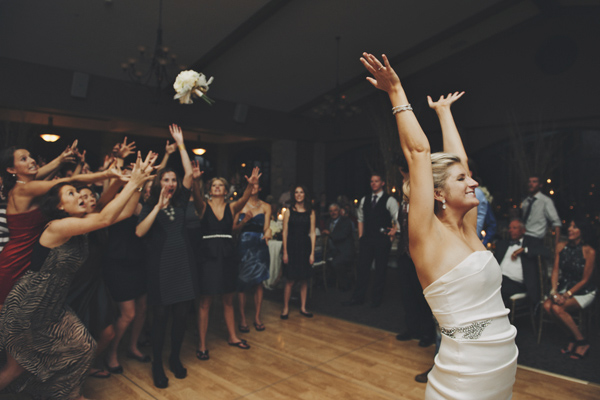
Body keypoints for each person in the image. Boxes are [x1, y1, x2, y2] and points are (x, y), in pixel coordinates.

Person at [360, 52, 517, 399]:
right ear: (438, 194)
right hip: (465, 374)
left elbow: (459, 162)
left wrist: (445, 114)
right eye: (462, 180)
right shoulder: (426, 238)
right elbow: (418, 154)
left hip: (501, 368)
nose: (473, 183)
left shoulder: (467, 229)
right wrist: (396, 92)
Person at [0, 152, 153, 399]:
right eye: (72, 194)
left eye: (78, 192)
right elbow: (105, 217)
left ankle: (68, 393)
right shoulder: (58, 226)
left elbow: (122, 214)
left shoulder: (80, 223)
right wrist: (132, 182)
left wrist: (139, 182)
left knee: (84, 346)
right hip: (28, 306)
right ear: (60, 206)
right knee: (15, 369)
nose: (81, 196)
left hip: (53, 305)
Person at [0, 144, 119, 310]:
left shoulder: (22, 183)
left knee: (21, 315)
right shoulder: (24, 188)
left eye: (30, 156)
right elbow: (68, 181)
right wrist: (107, 173)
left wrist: (60, 160)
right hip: (17, 260)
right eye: (24, 159)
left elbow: (39, 172)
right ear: (12, 169)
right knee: (9, 315)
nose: (32, 160)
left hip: (27, 256)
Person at [135, 124, 197, 389]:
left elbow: (189, 174)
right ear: (158, 183)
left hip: (183, 265)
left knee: (181, 316)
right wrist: (157, 207)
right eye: (166, 179)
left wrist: (182, 145)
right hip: (160, 268)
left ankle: (174, 358)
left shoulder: (182, 200)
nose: (171, 183)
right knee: (160, 318)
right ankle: (157, 365)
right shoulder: (150, 204)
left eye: (173, 180)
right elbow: (139, 232)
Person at [192, 166, 262, 360]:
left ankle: (232, 336)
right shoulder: (203, 206)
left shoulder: (232, 207)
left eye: (220, 185)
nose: (216, 187)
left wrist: (251, 184)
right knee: (205, 301)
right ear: (209, 189)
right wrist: (195, 180)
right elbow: (196, 195)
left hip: (227, 255)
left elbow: (245, 199)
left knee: (228, 298)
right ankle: (202, 344)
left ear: (225, 190)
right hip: (208, 256)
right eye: (213, 185)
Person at [394, 160, 435, 347]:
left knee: (423, 295)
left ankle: (428, 333)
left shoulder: (424, 203)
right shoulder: (403, 204)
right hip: (404, 253)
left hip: (421, 256)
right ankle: (411, 328)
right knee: (406, 293)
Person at [542, 218, 596, 359]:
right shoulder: (561, 246)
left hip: (584, 291)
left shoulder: (589, 251)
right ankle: (571, 337)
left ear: (582, 232)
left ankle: (582, 341)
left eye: (575, 227)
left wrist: (567, 295)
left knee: (558, 308)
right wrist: (554, 292)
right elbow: (555, 270)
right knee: (547, 305)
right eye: (570, 226)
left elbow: (585, 280)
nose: (570, 229)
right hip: (565, 286)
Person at [343, 173, 398, 308]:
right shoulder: (364, 199)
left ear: (382, 183)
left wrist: (392, 235)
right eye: (372, 181)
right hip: (367, 239)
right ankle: (358, 298)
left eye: (376, 181)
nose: (373, 183)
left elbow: (397, 219)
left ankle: (376, 300)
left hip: (382, 240)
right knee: (362, 269)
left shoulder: (389, 200)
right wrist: (361, 236)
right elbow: (360, 219)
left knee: (380, 270)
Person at [233, 181, 272, 332]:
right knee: (242, 283)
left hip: (260, 246)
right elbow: (233, 229)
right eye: (252, 184)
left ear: (260, 188)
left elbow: (266, 227)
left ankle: (257, 317)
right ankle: (242, 318)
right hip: (244, 245)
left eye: (257, 184)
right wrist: (244, 221)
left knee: (259, 282)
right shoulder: (239, 205)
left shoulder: (266, 206)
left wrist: (268, 232)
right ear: (248, 187)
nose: (254, 186)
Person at [494, 219, 549, 307]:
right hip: (500, 279)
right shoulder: (503, 243)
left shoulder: (531, 242)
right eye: (510, 228)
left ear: (523, 230)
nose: (510, 230)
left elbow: (547, 252)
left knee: (497, 289)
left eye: (514, 228)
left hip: (518, 283)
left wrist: (524, 250)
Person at [281, 185, 316, 319]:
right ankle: (285, 308)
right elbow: (285, 232)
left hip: (305, 247)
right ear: (294, 195)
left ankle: (303, 307)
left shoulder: (311, 212)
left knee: (304, 280)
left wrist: (312, 253)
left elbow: (312, 233)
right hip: (291, 247)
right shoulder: (289, 211)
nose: (299, 195)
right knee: (290, 279)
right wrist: (285, 251)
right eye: (296, 192)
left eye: (301, 192)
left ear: (305, 195)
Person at [521, 175, 561, 248]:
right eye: (529, 182)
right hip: (523, 236)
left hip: (536, 238)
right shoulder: (526, 201)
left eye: (534, 182)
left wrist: (556, 245)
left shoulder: (546, 201)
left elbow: (556, 223)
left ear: (540, 185)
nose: (531, 184)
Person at [321, 203, 354, 291]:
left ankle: (345, 286)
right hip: (332, 250)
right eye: (331, 211)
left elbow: (342, 235)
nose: (333, 213)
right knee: (321, 260)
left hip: (344, 250)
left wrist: (329, 234)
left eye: (335, 210)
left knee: (336, 262)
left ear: (339, 211)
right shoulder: (328, 221)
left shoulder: (346, 221)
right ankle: (326, 285)